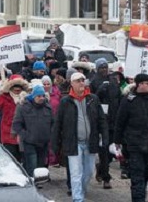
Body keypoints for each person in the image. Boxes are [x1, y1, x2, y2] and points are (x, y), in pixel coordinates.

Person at [51, 72, 108, 202]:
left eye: (83, 80)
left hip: (90, 142)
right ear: (71, 83)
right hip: (73, 143)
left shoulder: (93, 99)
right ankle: (77, 199)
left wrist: (105, 137)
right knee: (76, 173)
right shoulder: (65, 101)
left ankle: (81, 191)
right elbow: (58, 123)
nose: (81, 82)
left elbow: (102, 120)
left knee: (88, 172)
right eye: (78, 80)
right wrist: (54, 144)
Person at [114, 73, 148, 202]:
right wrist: (117, 141)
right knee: (137, 175)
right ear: (140, 84)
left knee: (145, 174)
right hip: (134, 144)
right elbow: (120, 122)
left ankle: (139, 194)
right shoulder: (128, 101)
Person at [90, 59, 121, 189]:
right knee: (103, 149)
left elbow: (118, 98)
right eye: (101, 67)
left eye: (105, 67)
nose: (104, 69)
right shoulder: (93, 81)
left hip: (113, 120)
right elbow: (91, 100)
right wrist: (99, 91)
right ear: (97, 69)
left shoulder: (113, 80)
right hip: (101, 122)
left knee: (110, 152)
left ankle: (101, 168)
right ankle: (106, 178)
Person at [0, 74, 30, 161]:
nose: (17, 89)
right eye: (15, 87)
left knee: (23, 157)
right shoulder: (4, 97)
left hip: (22, 132)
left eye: (19, 87)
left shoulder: (26, 98)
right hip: (7, 132)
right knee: (11, 157)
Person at [12, 84, 54, 177]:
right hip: (29, 142)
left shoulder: (48, 107)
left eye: (43, 96)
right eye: (39, 96)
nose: (41, 98)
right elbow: (16, 124)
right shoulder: (23, 107)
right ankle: (31, 182)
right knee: (32, 164)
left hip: (43, 142)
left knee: (40, 166)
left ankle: (37, 182)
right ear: (34, 96)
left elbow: (53, 122)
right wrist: (25, 135)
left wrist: (50, 134)